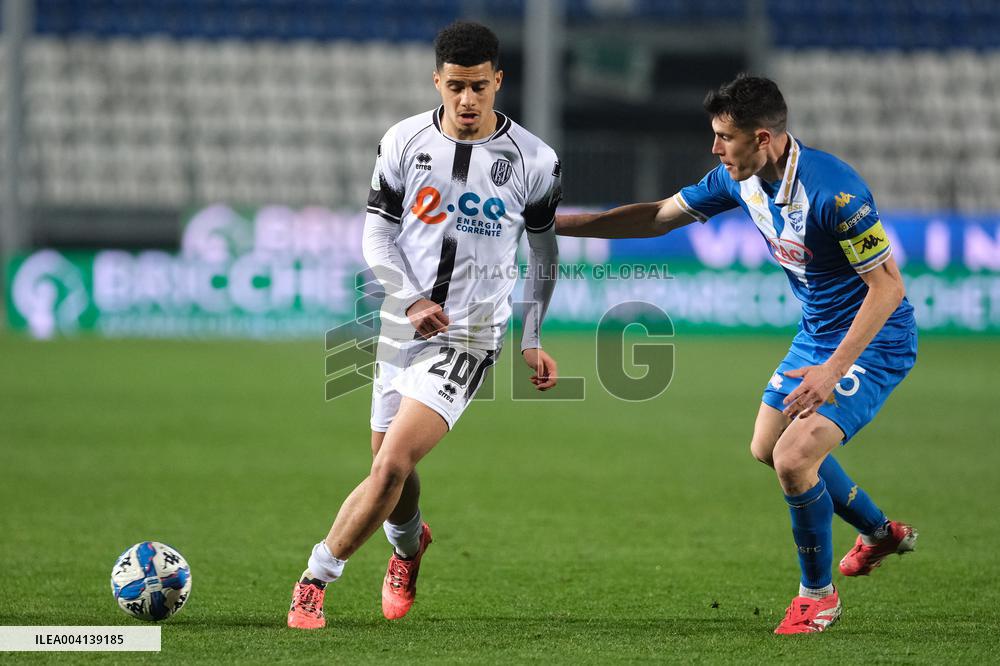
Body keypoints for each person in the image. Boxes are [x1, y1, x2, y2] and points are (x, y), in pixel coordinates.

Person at [556, 74, 917, 635]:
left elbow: (887, 288)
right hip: (819, 332)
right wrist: (556, 225)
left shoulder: (835, 194)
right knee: (767, 446)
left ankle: (817, 596)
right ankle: (878, 532)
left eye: (725, 137)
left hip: (875, 338)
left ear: (764, 138)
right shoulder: (739, 179)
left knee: (794, 459)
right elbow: (656, 217)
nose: (715, 148)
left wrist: (832, 370)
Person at [287, 21, 562, 629]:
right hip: (399, 326)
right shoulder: (403, 141)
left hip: (470, 335)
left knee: (387, 469)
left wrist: (533, 336)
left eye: (480, 88)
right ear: (437, 80)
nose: (468, 101)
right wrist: (409, 299)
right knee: (391, 470)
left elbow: (543, 255)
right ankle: (409, 549)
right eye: (457, 86)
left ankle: (314, 580)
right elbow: (377, 232)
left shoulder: (534, 160)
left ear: (499, 82)